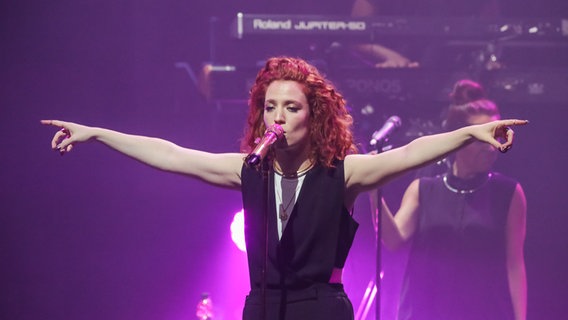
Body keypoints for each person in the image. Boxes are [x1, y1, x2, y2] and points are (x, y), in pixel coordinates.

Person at [41, 57, 526, 320]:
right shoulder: (249, 169)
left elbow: (408, 153)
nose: (278, 116)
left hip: (322, 309)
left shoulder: (344, 172)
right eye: (270, 106)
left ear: (312, 116)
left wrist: (470, 132)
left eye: (291, 107)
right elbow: (171, 154)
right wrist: (97, 134)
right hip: (262, 305)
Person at [375, 79, 528, 320]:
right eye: (483, 137)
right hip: (426, 311)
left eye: (496, 135)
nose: (491, 146)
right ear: (459, 138)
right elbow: (393, 240)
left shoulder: (507, 192)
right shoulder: (423, 189)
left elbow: (514, 265)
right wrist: (373, 189)